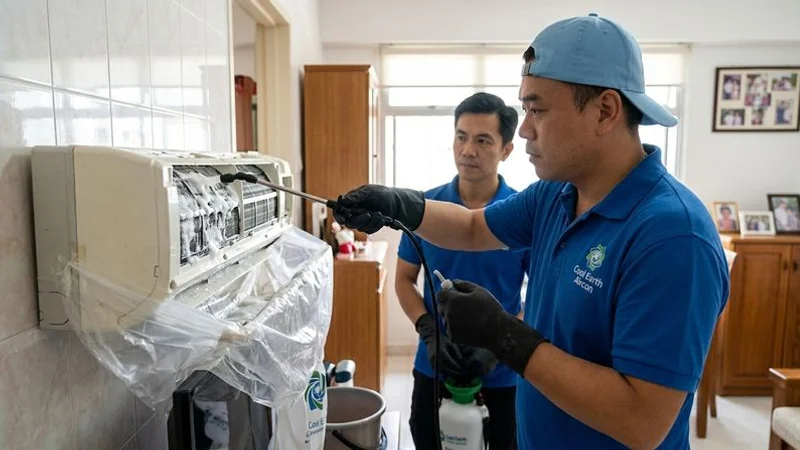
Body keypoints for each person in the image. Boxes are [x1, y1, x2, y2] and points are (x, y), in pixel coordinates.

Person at [333, 13, 730, 450]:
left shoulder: (673, 237)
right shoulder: (556, 194)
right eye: (524, 110)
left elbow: (642, 421)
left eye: (538, 109)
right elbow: (469, 228)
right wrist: (401, 206)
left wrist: (504, 335)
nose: (523, 131)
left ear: (605, 111)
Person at [395, 92, 528, 450]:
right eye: (461, 136)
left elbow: (542, 293)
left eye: (483, 140)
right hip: (435, 365)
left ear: (506, 150)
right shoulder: (427, 209)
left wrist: (503, 344)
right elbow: (404, 279)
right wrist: (428, 331)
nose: (468, 150)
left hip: (500, 374)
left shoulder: (521, 215)